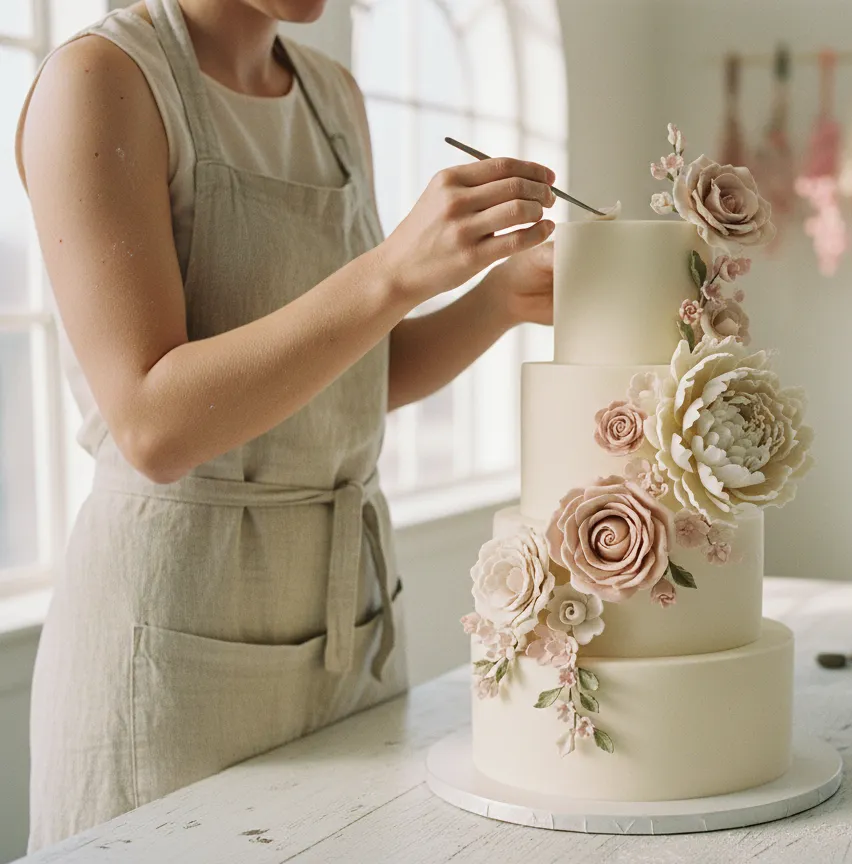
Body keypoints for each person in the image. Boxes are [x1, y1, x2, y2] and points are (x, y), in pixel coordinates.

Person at [15, 0, 557, 850]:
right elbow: (152, 425)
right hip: (167, 656)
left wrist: (500, 300)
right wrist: (392, 274)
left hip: (353, 632)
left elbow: (338, 383)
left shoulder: (334, 97)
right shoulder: (102, 80)